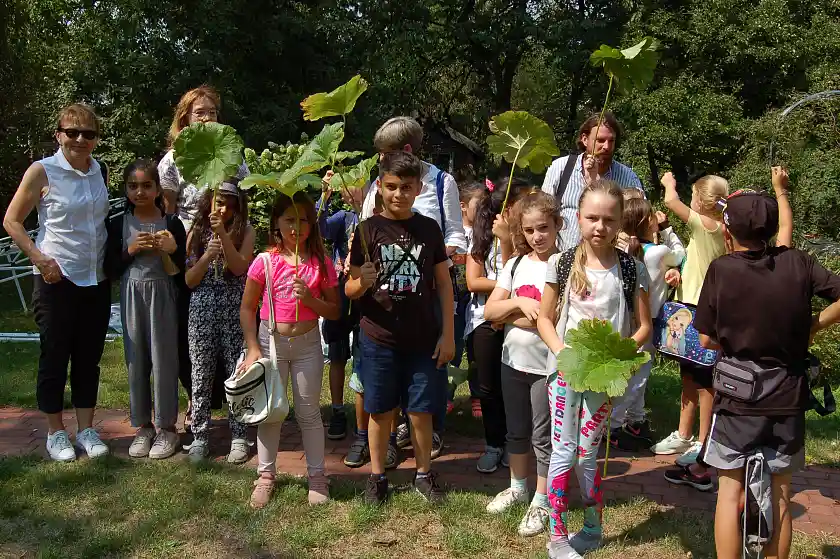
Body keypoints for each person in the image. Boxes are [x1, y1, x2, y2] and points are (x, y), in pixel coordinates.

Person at [681, 187, 838, 559]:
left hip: (738, 397)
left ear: (727, 229)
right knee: (781, 493)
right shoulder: (798, 262)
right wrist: (813, 325)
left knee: (730, 491)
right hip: (788, 395)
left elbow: (705, 338)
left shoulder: (722, 269)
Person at [536, 180, 652, 559]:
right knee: (563, 450)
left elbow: (644, 326)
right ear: (578, 218)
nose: (599, 226)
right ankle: (557, 534)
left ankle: (592, 525)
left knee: (588, 452)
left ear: (621, 222)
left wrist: (621, 356)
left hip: (605, 373)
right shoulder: (562, 262)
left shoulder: (633, 269)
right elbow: (545, 318)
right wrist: (561, 352)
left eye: (608, 219)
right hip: (566, 371)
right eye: (591, 218)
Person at [3, 103, 111, 461]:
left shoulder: (100, 171)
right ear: (58, 134)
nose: (80, 139)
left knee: (88, 358)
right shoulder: (42, 171)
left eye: (89, 134)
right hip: (55, 279)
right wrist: (39, 258)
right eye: (72, 132)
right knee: (54, 356)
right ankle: (55, 433)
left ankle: (87, 430)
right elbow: (12, 221)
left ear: (96, 138)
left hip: (94, 279)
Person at [346, 151, 454, 505]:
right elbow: (348, 287)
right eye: (391, 187)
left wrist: (448, 334)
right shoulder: (367, 231)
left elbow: (444, 284)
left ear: (418, 188)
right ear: (380, 186)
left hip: (423, 339)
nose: (398, 194)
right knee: (380, 410)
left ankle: (423, 474)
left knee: (421, 411)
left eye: (406, 188)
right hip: (379, 338)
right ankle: (377, 477)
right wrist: (361, 282)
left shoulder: (429, 229)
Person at [360, 116, 467, 458]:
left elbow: (455, 234)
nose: (379, 160)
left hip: (429, 292)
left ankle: (429, 431)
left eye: (385, 153)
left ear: (406, 150)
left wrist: (432, 254)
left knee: (428, 365)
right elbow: (365, 227)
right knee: (384, 366)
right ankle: (388, 438)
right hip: (384, 296)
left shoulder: (440, 182)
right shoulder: (380, 182)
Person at [158, 85, 250, 431]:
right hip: (189, 244)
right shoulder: (172, 159)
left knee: (230, 333)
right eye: (200, 112)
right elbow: (168, 209)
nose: (207, 117)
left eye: (212, 112)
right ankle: (195, 405)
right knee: (190, 331)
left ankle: (231, 409)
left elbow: (241, 199)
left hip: (226, 239)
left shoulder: (232, 154)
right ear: (185, 118)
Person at [240, 191, 340, 508]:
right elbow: (247, 309)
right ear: (276, 224)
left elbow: (335, 310)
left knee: (308, 413)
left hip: (308, 344)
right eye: (289, 220)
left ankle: (317, 477)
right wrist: (253, 347)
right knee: (271, 413)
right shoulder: (265, 262)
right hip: (271, 342)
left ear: (312, 223)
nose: (296, 227)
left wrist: (310, 300)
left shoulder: (321, 264)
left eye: (303, 220)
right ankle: (265, 476)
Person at [483, 191, 563, 538]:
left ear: (558, 224)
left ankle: (542, 499)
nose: (537, 236)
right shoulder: (516, 265)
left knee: (542, 436)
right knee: (515, 429)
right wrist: (518, 302)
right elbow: (489, 311)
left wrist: (515, 316)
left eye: (543, 228)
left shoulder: (565, 264)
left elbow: (555, 317)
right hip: (511, 360)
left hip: (547, 366)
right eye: (529, 230)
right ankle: (518, 487)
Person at [105, 160, 186, 459]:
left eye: (146, 185)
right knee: (135, 359)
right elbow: (110, 268)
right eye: (133, 186)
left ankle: (167, 428)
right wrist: (131, 250)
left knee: (165, 360)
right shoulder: (117, 224)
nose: (139, 192)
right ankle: (143, 427)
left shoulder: (173, 223)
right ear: (126, 189)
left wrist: (170, 249)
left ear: (156, 189)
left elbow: (182, 271)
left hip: (163, 294)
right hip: (131, 295)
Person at [651, 172, 729, 470]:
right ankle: (685, 434)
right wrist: (680, 272)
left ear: (701, 201)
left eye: (694, 196)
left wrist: (670, 182)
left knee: (705, 380)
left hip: (701, 310)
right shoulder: (719, 228)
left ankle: (702, 439)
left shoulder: (705, 223)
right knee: (690, 374)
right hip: (693, 304)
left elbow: (670, 201)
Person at [184, 182, 255, 462]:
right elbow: (189, 279)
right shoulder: (196, 231)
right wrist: (206, 256)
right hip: (202, 308)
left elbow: (240, 267)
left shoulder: (246, 231)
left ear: (237, 206)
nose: (221, 208)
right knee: (200, 372)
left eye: (227, 203)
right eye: (217, 202)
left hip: (234, 307)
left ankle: (239, 434)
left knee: (235, 369)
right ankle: (200, 435)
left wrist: (224, 238)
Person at [465, 179, 532, 474]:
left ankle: (515, 443)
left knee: (515, 385)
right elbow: (472, 281)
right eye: (525, 200)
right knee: (488, 386)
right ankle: (494, 444)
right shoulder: (481, 236)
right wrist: (503, 290)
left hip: (517, 319)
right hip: (484, 320)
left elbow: (517, 280)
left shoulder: (529, 237)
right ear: (508, 205)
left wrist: (507, 242)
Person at [610, 198, 685, 451]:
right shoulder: (659, 252)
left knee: (630, 374)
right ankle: (614, 426)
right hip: (649, 322)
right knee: (638, 377)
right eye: (653, 215)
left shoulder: (621, 253)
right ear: (646, 222)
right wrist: (666, 228)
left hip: (626, 321)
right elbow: (680, 254)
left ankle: (636, 419)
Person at [541, 112, 643, 252]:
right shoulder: (561, 168)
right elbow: (542, 213)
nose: (606, 147)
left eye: (611, 141)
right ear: (584, 139)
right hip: (562, 258)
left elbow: (642, 219)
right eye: (600, 140)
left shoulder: (628, 177)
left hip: (609, 262)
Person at [317, 176, 362, 440]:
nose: (346, 194)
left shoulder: (372, 216)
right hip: (339, 291)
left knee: (362, 353)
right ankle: (337, 411)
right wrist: (324, 197)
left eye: (349, 189)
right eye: (342, 192)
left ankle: (363, 412)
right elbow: (319, 228)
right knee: (336, 353)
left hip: (364, 292)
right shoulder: (344, 217)